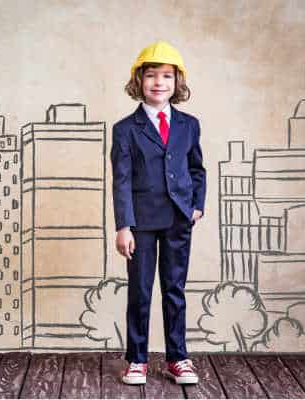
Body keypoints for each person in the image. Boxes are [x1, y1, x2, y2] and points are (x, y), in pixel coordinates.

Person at [111, 41, 206, 385]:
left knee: (174, 290)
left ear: (177, 82)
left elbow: (197, 169)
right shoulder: (124, 129)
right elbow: (121, 181)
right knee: (140, 291)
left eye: (167, 76)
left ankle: (178, 358)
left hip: (180, 219)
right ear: (139, 81)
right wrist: (124, 225)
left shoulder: (189, 125)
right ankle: (137, 359)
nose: (159, 83)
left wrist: (197, 206)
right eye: (151, 76)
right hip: (142, 223)